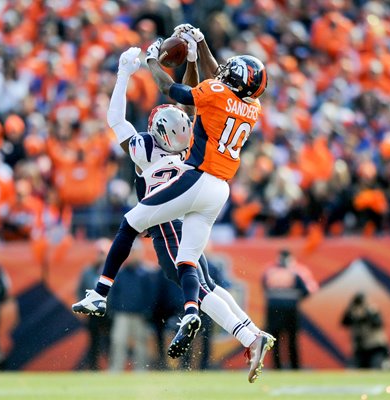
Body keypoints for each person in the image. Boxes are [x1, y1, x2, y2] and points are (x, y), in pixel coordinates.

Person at [73, 24, 272, 382]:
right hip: (214, 190)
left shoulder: (149, 148)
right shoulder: (232, 115)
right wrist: (195, 53)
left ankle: (102, 293)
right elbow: (198, 99)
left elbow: (162, 102)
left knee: (134, 226)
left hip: (180, 205)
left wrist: (137, 68)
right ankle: (245, 333)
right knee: (196, 275)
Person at [262, 249, 317, 369]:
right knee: (292, 340)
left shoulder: (270, 270)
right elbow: (309, 290)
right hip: (290, 309)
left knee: (274, 340)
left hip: (273, 310)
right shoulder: (297, 271)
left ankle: (277, 367)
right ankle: (294, 367)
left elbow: (265, 287)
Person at [107, 242, 153, 371]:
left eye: (135, 252)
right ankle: (116, 368)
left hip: (140, 315)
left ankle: (141, 369)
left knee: (140, 343)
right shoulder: (120, 273)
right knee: (118, 342)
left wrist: (147, 311)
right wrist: (114, 309)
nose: (132, 255)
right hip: (122, 314)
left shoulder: (146, 273)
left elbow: (150, 295)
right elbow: (113, 294)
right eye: (131, 252)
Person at [75, 239, 113, 370]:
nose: (101, 256)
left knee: (110, 342)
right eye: (99, 253)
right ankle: (93, 367)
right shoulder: (88, 271)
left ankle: (112, 368)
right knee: (93, 342)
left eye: (103, 253)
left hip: (109, 313)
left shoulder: (115, 272)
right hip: (92, 312)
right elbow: (80, 290)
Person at [341, 292, 390, 369]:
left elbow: (378, 323)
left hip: (375, 347)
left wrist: (367, 313)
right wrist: (350, 309)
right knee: (359, 371)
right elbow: (344, 322)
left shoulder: (371, 311)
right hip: (360, 348)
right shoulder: (352, 313)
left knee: (377, 367)